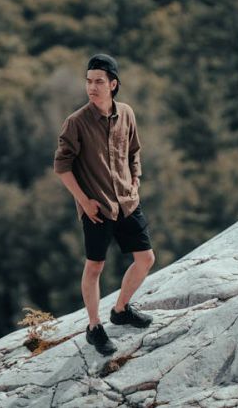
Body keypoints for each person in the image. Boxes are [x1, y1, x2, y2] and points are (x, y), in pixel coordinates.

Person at [53, 53, 156, 356]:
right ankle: (94, 327)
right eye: (88, 81)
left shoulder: (126, 113)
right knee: (95, 266)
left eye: (99, 81)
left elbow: (134, 151)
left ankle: (121, 310)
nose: (92, 87)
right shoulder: (76, 122)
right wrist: (84, 201)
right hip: (96, 208)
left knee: (146, 259)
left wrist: (135, 180)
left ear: (113, 84)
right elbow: (61, 167)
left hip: (127, 201)